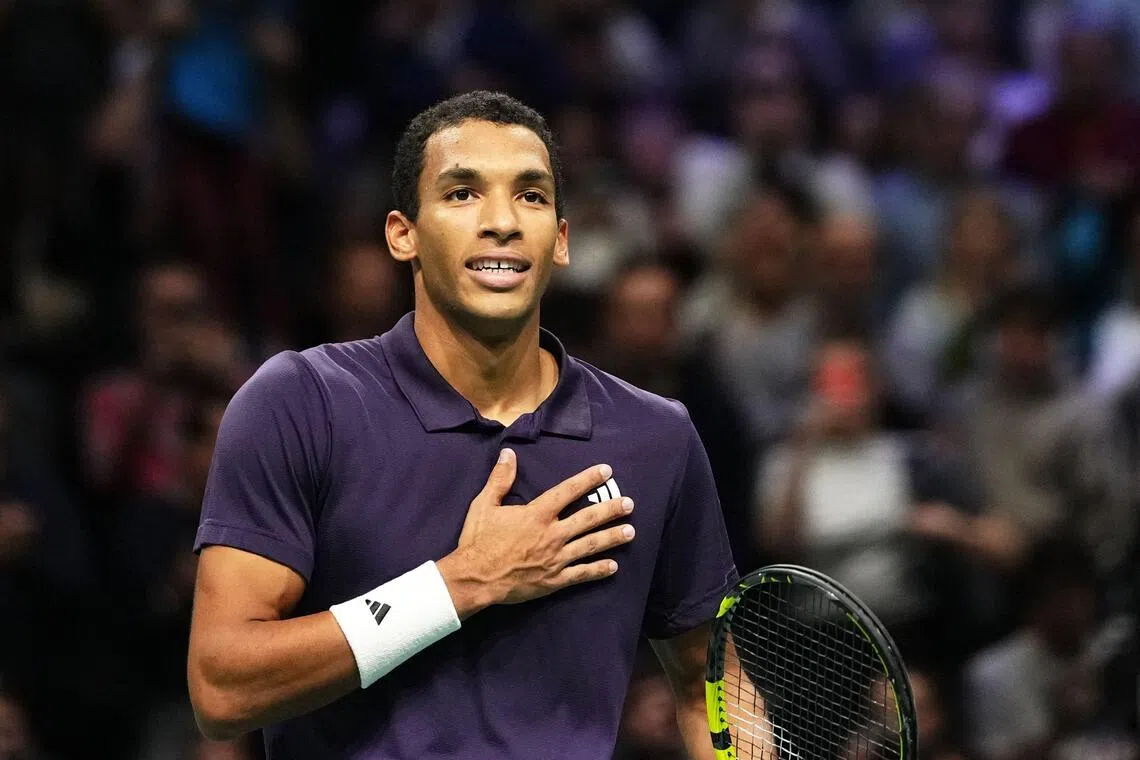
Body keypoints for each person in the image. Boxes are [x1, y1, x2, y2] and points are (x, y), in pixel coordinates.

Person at [187, 91, 738, 759]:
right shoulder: (301, 403)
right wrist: (459, 583)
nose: (502, 221)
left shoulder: (658, 437)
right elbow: (222, 687)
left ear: (560, 241)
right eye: (462, 193)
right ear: (403, 234)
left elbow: (709, 685)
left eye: (531, 196)